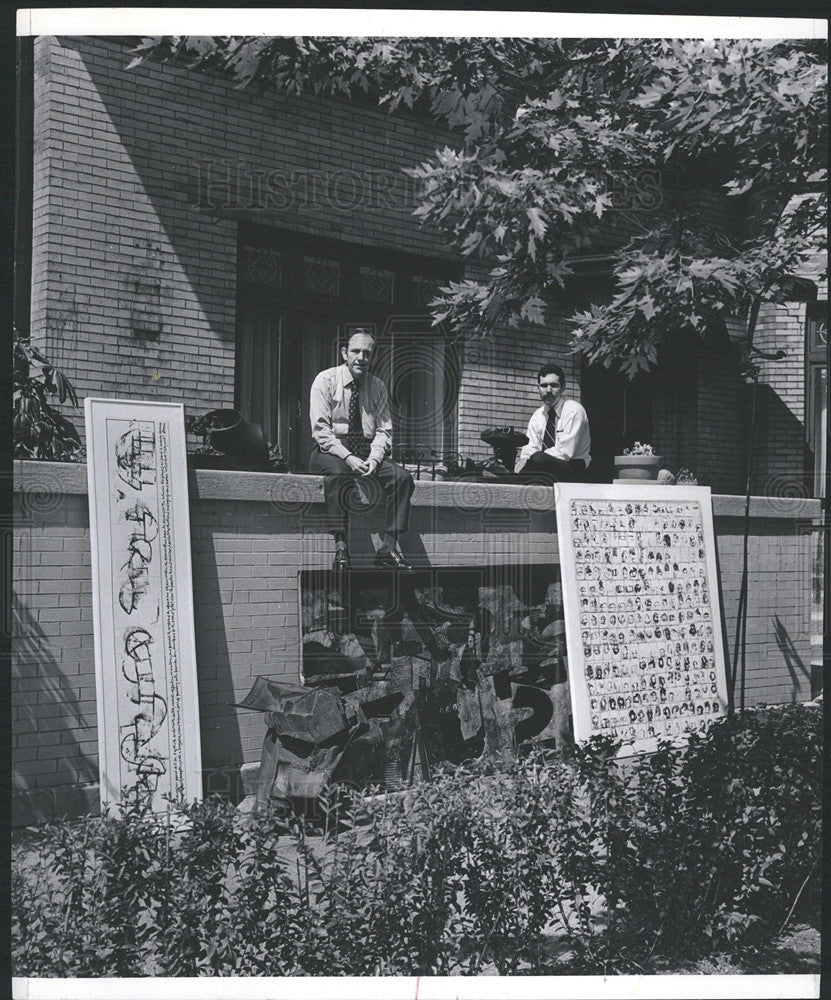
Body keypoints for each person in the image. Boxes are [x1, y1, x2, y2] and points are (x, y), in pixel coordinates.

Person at [309, 328, 415, 572]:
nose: (361, 357)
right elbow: (321, 432)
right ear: (345, 353)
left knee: (403, 478)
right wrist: (348, 457)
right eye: (355, 351)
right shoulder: (325, 380)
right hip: (331, 450)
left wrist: (375, 459)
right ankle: (341, 546)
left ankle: (388, 548)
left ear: (373, 357)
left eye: (367, 353)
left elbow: (384, 431)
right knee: (339, 474)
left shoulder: (377, 386)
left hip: (367, 450)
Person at [515, 362, 591, 482]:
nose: (548, 390)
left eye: (554, 385)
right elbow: (529, 450)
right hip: (543, 466)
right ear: (538, 388)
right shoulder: (537, 416)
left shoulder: (574, 410)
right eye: (544, 385)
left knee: (538, 458)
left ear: (563, 387)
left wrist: (534, 459)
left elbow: (565, 452)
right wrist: (526, 462)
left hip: (573, 468)